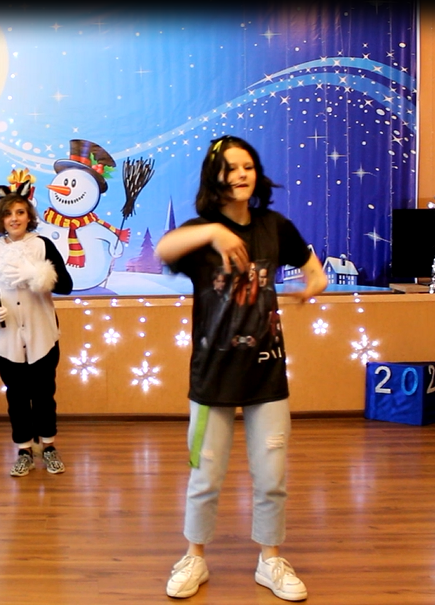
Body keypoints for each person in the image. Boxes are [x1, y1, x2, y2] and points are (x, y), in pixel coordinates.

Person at [155, 136, 327, 601]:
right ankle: (194, 557)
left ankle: (270, 559)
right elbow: (164, 249)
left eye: (247, 166)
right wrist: (215, 233)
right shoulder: (199, 233)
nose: (241, 174)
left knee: (271, 477)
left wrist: (312, 285)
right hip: (211, 377)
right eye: (230, 168)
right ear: (215, 177)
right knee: (205, 475)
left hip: (267, 374)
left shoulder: (275, 226)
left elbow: (316, 273)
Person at [0, 180, 74, 476]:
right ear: (0, 219)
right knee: (16, 396)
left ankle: (49, 446)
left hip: (42, 334)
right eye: (8, 214)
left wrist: (37, 273)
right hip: (7, 337)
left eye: (20, 212)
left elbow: (66, 285)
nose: (14, 219)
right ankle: (24, 450)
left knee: (44, 394)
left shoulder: (42, 245)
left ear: (29, 215)